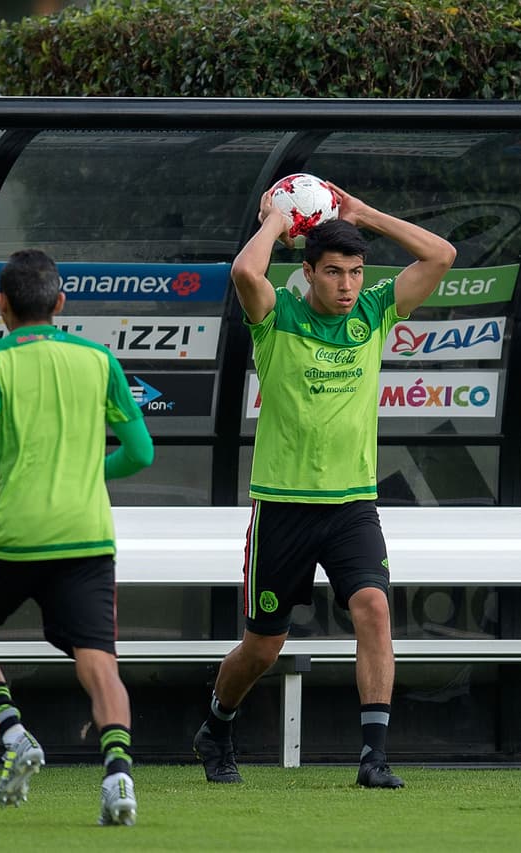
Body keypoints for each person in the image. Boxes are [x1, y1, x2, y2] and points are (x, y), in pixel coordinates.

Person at [193, 182, 455, 789]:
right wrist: (276, 221)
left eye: (356, 272)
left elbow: (440, 256)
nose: (346, 286)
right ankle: (217, 724)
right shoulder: (275, 317)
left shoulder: (375, 311)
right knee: (262, 648)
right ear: (306, 272)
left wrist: (365, 213)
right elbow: (243, 271)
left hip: (352, 506)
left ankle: (374, 757)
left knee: (374, 609)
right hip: (283, 508)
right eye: (333, 272)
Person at [0, 248, 155, 826]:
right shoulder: (98, 358)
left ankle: (14, 734)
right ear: (61, 304)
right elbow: (141, 452)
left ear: (3, 306)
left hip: (18, 537)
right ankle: (118, 778)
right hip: (88, 536)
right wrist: (88, 472)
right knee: (100, 662)